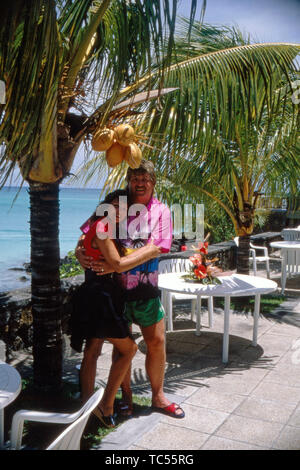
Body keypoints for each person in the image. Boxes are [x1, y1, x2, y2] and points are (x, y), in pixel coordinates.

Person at [76, 160, 185, 419]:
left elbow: (155, 247)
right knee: (121, 346)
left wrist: (117, 265)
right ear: (128, 181)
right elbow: (87, 233)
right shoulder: (117, 203)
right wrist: (79, 251)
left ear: (153, 182)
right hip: (115, 292)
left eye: (145, 178)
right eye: (135, 177)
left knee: (156, 342)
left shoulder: (162, 211)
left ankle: (158, 397)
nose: (140, 182)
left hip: (145, 288)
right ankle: (125, 398)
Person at [71, 189, 161, 427]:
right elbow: (118, 264)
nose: (119, 211)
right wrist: (151, 250)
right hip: (101, 295)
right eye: (114, 205)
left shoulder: (106, 225)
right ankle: (105, 406)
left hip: (96, 292)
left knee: (92, 350)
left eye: (124, 207)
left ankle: (86, 407)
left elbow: (82, 243)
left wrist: (80, 251)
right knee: (128, 349)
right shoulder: (102, 226)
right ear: (105, 206)